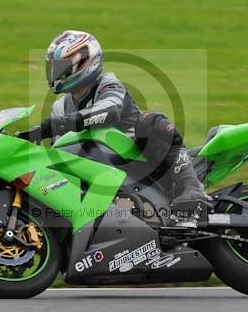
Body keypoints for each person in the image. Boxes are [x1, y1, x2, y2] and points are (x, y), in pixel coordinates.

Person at [19, 30, 210, 228]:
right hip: (98, 175)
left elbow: (108, 111)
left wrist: (51, 125)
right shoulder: (60, 107)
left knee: (151, 121)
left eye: (62, 67)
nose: (56, 73)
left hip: (142, 164)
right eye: (53, 68)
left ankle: (190, 190)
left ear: (85, 61)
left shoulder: (109, 85)